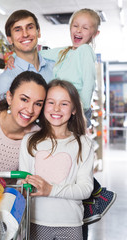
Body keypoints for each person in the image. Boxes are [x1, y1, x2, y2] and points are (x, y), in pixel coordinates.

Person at [1, 8, 116, 234]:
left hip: (75, 110)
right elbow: (45, 55)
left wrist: (77, 110)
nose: (79, 31)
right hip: (50, 116)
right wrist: (11, 56)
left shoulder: (71, 55)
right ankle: (94, 196)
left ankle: (94, 197)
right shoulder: (61, 54)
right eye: (75, 26)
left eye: (85, 27)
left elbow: (87, 84)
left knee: (74, 151)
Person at [19, 80, 94, 240]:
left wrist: (50, 190)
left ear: (74, 109)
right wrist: (24, 186)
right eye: (51, 102)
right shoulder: (29, 140)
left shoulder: (83, 144)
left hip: (70, 224)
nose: (56, 108)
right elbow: (22, 181)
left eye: (64, 104)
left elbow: (86, 189)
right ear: (43, 106)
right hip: (35, 222)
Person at [0, 10, 55, 101]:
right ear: (10, 39)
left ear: (38, 32)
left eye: (30, 27)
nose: (25, 34)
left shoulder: (56, 68)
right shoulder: (6, 80)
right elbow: (3, 114)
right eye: (18, 30)